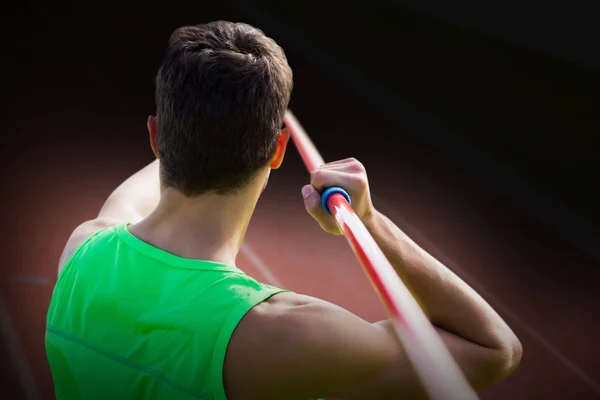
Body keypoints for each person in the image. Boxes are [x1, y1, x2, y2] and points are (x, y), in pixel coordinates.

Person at [46, 21, 522, 400]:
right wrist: (371, 221)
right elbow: (493, 349)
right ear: (278, 151)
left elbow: (147, 183)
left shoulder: (82, 249)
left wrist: (197, 124)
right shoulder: (284, 333)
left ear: (155, 136)